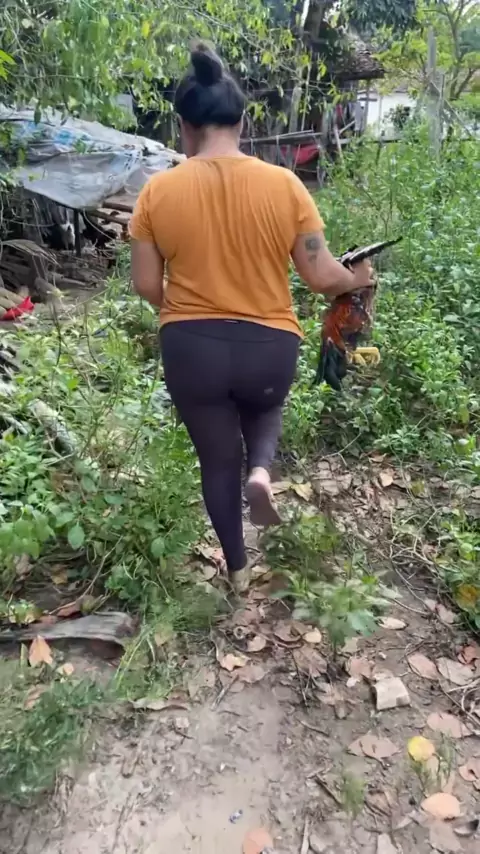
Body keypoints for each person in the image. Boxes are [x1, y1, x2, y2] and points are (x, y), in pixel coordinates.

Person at [130, 43, 374, 593]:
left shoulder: (156, 191)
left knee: (217, 462)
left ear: (184, 126)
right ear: (242, 122)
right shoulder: (284, 185)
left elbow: (146, 285)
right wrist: (355, 277)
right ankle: (261, 472)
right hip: (268, 346)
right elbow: (321, 276)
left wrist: (187, 316)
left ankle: (238, 571)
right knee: (266, 404)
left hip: (191, 349)